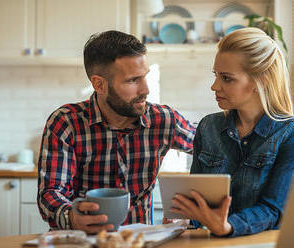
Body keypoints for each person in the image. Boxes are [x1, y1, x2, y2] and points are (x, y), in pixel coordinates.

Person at [37, 30, 196, 233]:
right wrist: (71, 217)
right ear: (99, 84)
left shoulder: (163, 120)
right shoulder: (66, 123)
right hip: (80, 241)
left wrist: (189, 209)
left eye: (145, 77)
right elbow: (50, 193)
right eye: (132, 80)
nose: (145, 89)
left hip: (139, 242)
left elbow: (212, 145)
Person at [170, 27, 294, 237]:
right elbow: (197, 200)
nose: (214, 86)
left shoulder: (288, 133)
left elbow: (274, 210)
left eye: (226, 78)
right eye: (216, 75)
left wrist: (228, 226)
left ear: (260, 81)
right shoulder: (208, 127)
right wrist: (183, 216)